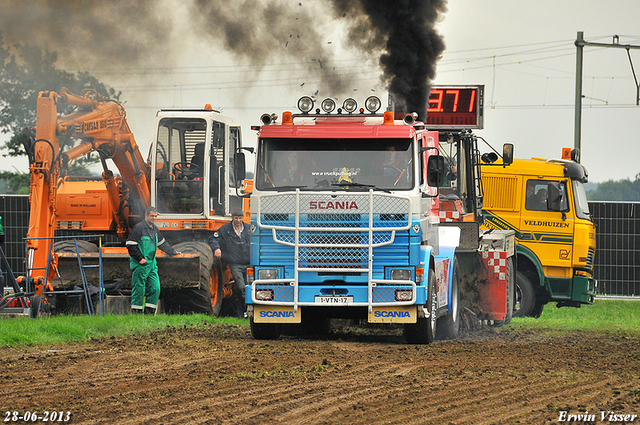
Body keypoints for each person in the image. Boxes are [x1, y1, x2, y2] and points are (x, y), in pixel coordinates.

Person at [126, 206, 179, 315]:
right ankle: (137, 315)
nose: (154, 218)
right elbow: (130, 244)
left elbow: (162, 243)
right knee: (139, 290)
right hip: (140, 265)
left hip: (152, 265)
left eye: (155, 216)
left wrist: (172, 252)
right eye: (152, 216)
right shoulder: (138, 228)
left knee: (155, 288)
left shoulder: (154, 229)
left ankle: (149, 314)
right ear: (146, 216)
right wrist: (140, 258)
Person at [208, 209, 250, 318]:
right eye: (236, 218)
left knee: (251, 287)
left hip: (250, 263)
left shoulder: (249, 229)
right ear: (232, 217)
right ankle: (244, 314)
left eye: (240, 218)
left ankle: (248, 313)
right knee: (242, 288)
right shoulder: (225, 230)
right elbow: (213, 239)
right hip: (235, 264)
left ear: (243, 217)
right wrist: (217, 248)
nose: (238, 220)